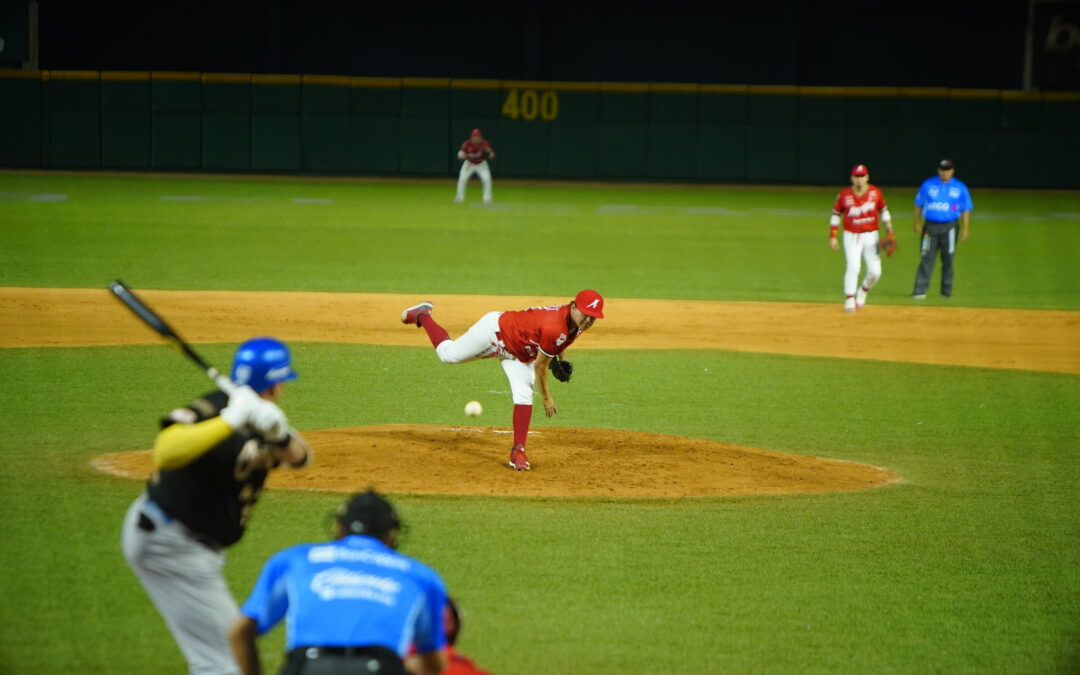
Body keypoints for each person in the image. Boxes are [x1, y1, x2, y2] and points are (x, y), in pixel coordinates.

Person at [121, 336, 312, 675]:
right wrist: (229, 420)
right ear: (276, 382)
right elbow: (165, 451)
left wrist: (280, 435)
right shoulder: (216, 408)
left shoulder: (262, 416)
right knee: (227, 661)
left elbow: (300, 458)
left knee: (220, 657)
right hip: (171, 540)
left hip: (184, 540)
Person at [228, 490, 448, 675]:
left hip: (308, 666)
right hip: (380, 668)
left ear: (340, 528)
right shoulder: (420, 576)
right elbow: (432, 663)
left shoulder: (295, 559)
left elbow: (240, 632)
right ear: (391, 536)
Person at [400, 289, 605, 471]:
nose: (588, 320)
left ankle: (518, 451)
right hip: (493, 333)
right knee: (448, 354)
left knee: (524, 395)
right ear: (573, 307)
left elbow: (561, 340)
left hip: (519, 352)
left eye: (593, 318)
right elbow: (541, 365)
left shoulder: (577, 324)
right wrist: (547, 398)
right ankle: (422, 315)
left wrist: (563, 360)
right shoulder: (554, 325)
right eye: (586, 315)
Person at [828, 164, 894, 312]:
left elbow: (884, 211)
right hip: (851, 235)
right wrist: (833, 236)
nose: (859, 179)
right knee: (853, 266)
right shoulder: (844, 195)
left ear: (867, 177)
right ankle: (850, 298)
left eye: (862, 176)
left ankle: (863, 290)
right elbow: (835, 214)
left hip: (872, 236)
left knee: (875, 272)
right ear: (852, 178)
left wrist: (890, 230)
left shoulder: (876, 193)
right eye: (857, 176)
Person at [911, 158, 974, 299]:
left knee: (948, 259)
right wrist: (916, 222)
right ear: (938, 170)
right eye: (942, 170)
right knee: (926, 256)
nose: (945, 173)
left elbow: (965, 209)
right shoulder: (927, 185)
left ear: (952, 171)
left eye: (948, 170)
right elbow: (918, 204)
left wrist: (965, 229)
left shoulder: (960, 187)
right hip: (929, 227)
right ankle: (919, 290)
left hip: (950, 228)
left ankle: (946, 291)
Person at [454, 128, 495, 204]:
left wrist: (490, 153)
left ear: (480, 137)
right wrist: (461, 155)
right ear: (471, 137)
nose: (475, 139)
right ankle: (459, 198)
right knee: (462, 179)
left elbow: (491, 154)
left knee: (486, 179)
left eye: (477, 137)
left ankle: (487, 199)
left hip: (481, 164)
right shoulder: (467, 144)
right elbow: (460, 153)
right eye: (474, 137)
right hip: (469, 163)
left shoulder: (484, 144)